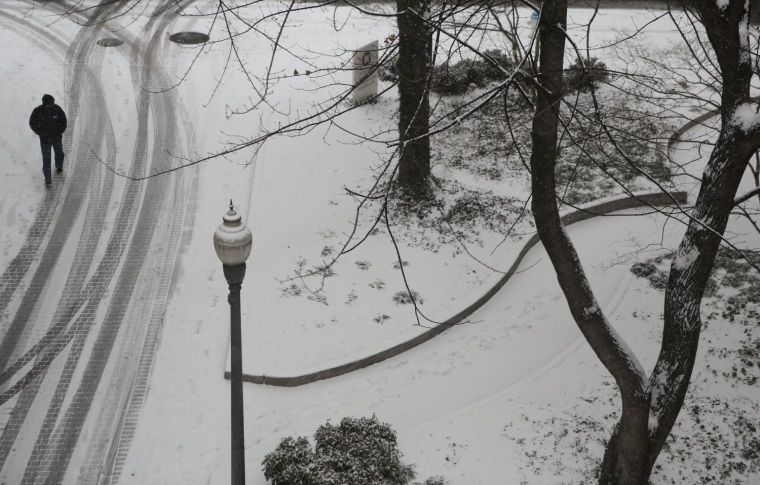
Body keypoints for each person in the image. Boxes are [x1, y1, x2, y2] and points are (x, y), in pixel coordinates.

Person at [29, 94, 67, 186]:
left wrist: (60, 131)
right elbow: (32, 123)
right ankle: (48, 179)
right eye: (50, 103)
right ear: (45, 104)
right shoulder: (38, 111)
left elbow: (64, 121)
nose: (52, 105)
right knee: (46, 159)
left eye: (53, 103)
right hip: (45, 140)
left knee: (59, 153)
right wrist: (41, 133)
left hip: (57, 138)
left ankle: (59, 165)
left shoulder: (57, 109)